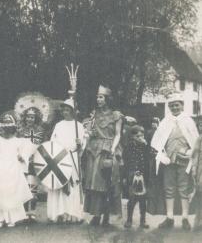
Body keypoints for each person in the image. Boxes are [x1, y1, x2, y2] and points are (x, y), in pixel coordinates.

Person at [150, 92, 198, 230]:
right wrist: (162, 155)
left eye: (177, 105)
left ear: (182, 106)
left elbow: (195, 142)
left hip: (184, 161)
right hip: (168, 161)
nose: (174, 108)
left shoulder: (189, 121)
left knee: (184, 189)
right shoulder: (165, 121)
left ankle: (185, 218)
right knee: (168, 189)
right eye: (172, 106)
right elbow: (156, 143)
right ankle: (169, 217)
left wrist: (189, 153)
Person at [0, 113, 34, 228]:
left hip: (12, 168)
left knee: (11, 192)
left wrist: (22, 156)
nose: (3, 131)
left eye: (7, 129)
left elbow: (28, 149)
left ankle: (12, 218)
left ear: (12, 129)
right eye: (2, 129)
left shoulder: (18, 141)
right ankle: (0, 218)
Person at [83, 85, 123, 227]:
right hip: (94, 150)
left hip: (108, 149)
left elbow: (118, 134)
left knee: (107, 184)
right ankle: (96, 214)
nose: (98, 99)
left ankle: (106, 213)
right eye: (97, 97)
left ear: (107, 99)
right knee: (94, 184)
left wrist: (113, 148)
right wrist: (85, 137)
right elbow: (90, 132)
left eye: (101, 97)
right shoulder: (94, 114)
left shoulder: (116, 115)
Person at [47, 99, 85, 223]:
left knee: (72, 183)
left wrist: (80, 144)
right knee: (59, 183)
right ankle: (60, 212)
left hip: (72, 157)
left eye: (68, 110)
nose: (65, 112)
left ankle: (72, 212)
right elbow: (53, 141)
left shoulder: (78, 125)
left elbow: (82, 143)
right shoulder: (58, 125)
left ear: (73, 112)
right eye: (63, 110)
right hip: (59, 157)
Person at [17, 107, 47, 221]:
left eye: (32, 117)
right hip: (24, 162)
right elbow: (17, 145)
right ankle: (25, 212)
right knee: (24, 187)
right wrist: (19, 155)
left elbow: (44, 145)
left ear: (36, 118)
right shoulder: (20, 131)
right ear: (25, 118)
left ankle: (32, 212)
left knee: (33, 188)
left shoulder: (40, 130)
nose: (30, 119)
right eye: (28, 117)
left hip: (35, 162)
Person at [122, 125, 149, 229]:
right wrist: (125, 176)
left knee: (143, 200)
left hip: (143, 175)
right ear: (132, 136)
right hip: (132, 175)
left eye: (142, 135)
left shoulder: (145, 146)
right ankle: (129, 219)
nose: (140, 137)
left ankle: (143, 221)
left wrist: (146, 145)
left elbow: (149, 158)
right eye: (137, 136)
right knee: (132, 199)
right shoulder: (128, 147)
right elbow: (125, 162)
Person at [191, 117, 202, 231]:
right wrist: (194, 169)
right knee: (200, 196)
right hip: (201, 172)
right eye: (200, 125)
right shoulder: (199, 139)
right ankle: (198, 220)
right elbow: (195, 156)